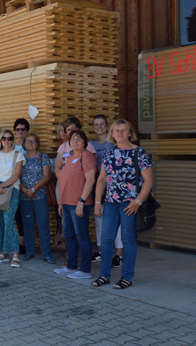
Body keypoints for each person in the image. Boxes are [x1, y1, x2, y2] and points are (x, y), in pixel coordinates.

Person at [91, 119, 154, 290]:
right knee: (106, 239)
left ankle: (126, 277)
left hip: (129, 204)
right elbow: (102, 179)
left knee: (128, 240)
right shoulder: (109, 153)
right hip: (111, 202)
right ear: (112, 134)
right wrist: (97, 201)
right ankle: (104, 275)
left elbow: (149, 180)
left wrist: (138, 202)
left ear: (129, 133)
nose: (119, 133)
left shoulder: (139, 152)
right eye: (116, 130)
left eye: (123, 130)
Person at [54, 130, 96, 279]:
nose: (75, 142)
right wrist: (61, 202)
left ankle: (85, 270)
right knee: (68, 235)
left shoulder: (87, 156)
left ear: (85, 142)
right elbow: (63, 181)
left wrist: (81, 201)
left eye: (79, 139)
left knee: (82, 235)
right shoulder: (71, 157)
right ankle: (71, 265)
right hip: (66, 203)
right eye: (73, 139)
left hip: (79, 204)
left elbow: (90, 181)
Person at [0, 130, 24, 268]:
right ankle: (4, 252)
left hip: (11, 189)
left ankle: (15, 253)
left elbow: (16, 175)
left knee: (9, 221)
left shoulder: (18, 155)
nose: (7, 141)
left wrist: (0, 186)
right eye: (4, 138)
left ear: (12, 140)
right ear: (0, 140)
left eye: (9, 138)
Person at [89, 115, 122, 265]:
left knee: (116, 220)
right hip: (96, 185)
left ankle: (119, 255)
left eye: (102, 124)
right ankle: (101, 252)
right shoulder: (90, 144)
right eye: (96, 124)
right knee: (99, 219)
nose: (99, 127)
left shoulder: (114, 143)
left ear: (107, 126)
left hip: (112, 185)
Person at [19, 133, 54, 264]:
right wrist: (25, 190)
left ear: (38, 144)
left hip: (40, 196)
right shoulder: (20, 157)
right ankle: (29, 251)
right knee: (27, 224)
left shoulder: (43, 156)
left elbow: (47, 176)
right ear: (24, 144)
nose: (30, 143)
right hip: (24, 197)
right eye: (28, 141)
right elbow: (15, 176)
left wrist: (32, 190)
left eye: (33, 141)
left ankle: (46, 253)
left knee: (43, 224)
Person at [12, 118, 30, 255]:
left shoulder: (30, 144)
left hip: (27, 183)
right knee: (17, 215)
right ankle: (19, 243)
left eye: (23, 129)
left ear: (27, 130)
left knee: (26, 216)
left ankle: (26, 244)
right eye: (17, 129)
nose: (20, 132)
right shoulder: (12, 145)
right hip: (14, 182)